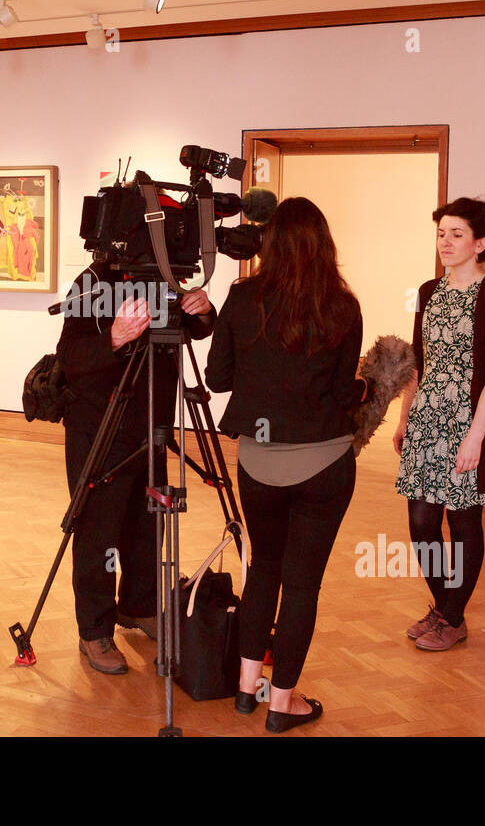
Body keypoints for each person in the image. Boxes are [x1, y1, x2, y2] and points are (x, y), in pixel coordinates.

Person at [205, 197, 365, 733]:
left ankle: (248, 691)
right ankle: (284, 705)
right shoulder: (343, 306)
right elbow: (345, 394)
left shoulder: (242, 296)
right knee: (301, 587)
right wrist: (365, 385)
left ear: (269, 243)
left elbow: (219, 378)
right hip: (324, 464)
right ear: (325, 246)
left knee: (264, 573)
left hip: (258, 463)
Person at [56, 262, 215, 675]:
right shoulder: (91, 282)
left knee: (150, 524)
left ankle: (141, 606)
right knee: (98, 530)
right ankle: (94, 630)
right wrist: (114, 337)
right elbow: (69, 356)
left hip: (151, 425)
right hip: (100, 427)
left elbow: (191, 327)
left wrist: (202, 311)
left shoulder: (164, 274)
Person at [393, 196, 485, 651]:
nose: (445, 242)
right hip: (427, 421)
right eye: (441, 233)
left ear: (481, 242)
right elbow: (417, 362)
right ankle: (444, 605)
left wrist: (475, 438)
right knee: (422, 523)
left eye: (456, 234)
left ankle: (453, 616)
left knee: (464, 525)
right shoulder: (429, 292)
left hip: (469, 423)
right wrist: (406, 418)